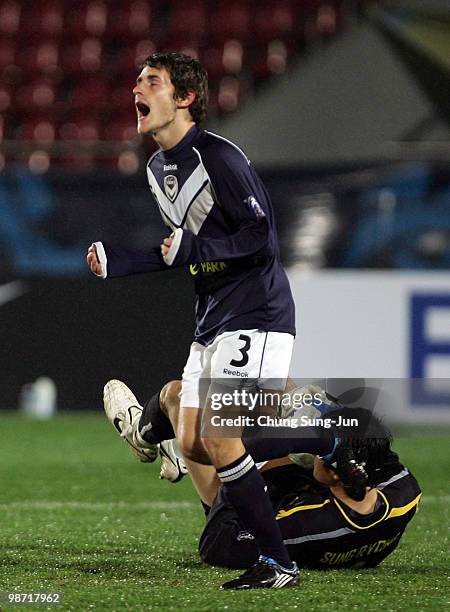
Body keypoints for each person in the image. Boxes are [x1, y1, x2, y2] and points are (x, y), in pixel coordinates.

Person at [87, 52, 300, 589]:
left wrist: (194, 246)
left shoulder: (219, 158)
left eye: (152, 82)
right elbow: (180, 252)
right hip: (212, 318)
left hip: (256, 311)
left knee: (222, 436)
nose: (138, 88)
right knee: (195, 441)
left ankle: (281, 563)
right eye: (137, 80)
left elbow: (259, 239)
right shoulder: (159, 169)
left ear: (185, 99)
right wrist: (123, 263)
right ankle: (173, 445)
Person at [103, 379, 422, 575]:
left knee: (178, 396)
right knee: (286, 398)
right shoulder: (401, 487)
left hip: (230, 531)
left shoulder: (306, 524)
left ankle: (161, 440)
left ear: (339, 470)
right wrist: (310, 408)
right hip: (319, 493)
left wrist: (242, 449)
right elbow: (369, 440)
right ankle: (184, 446)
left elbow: (218, 547)